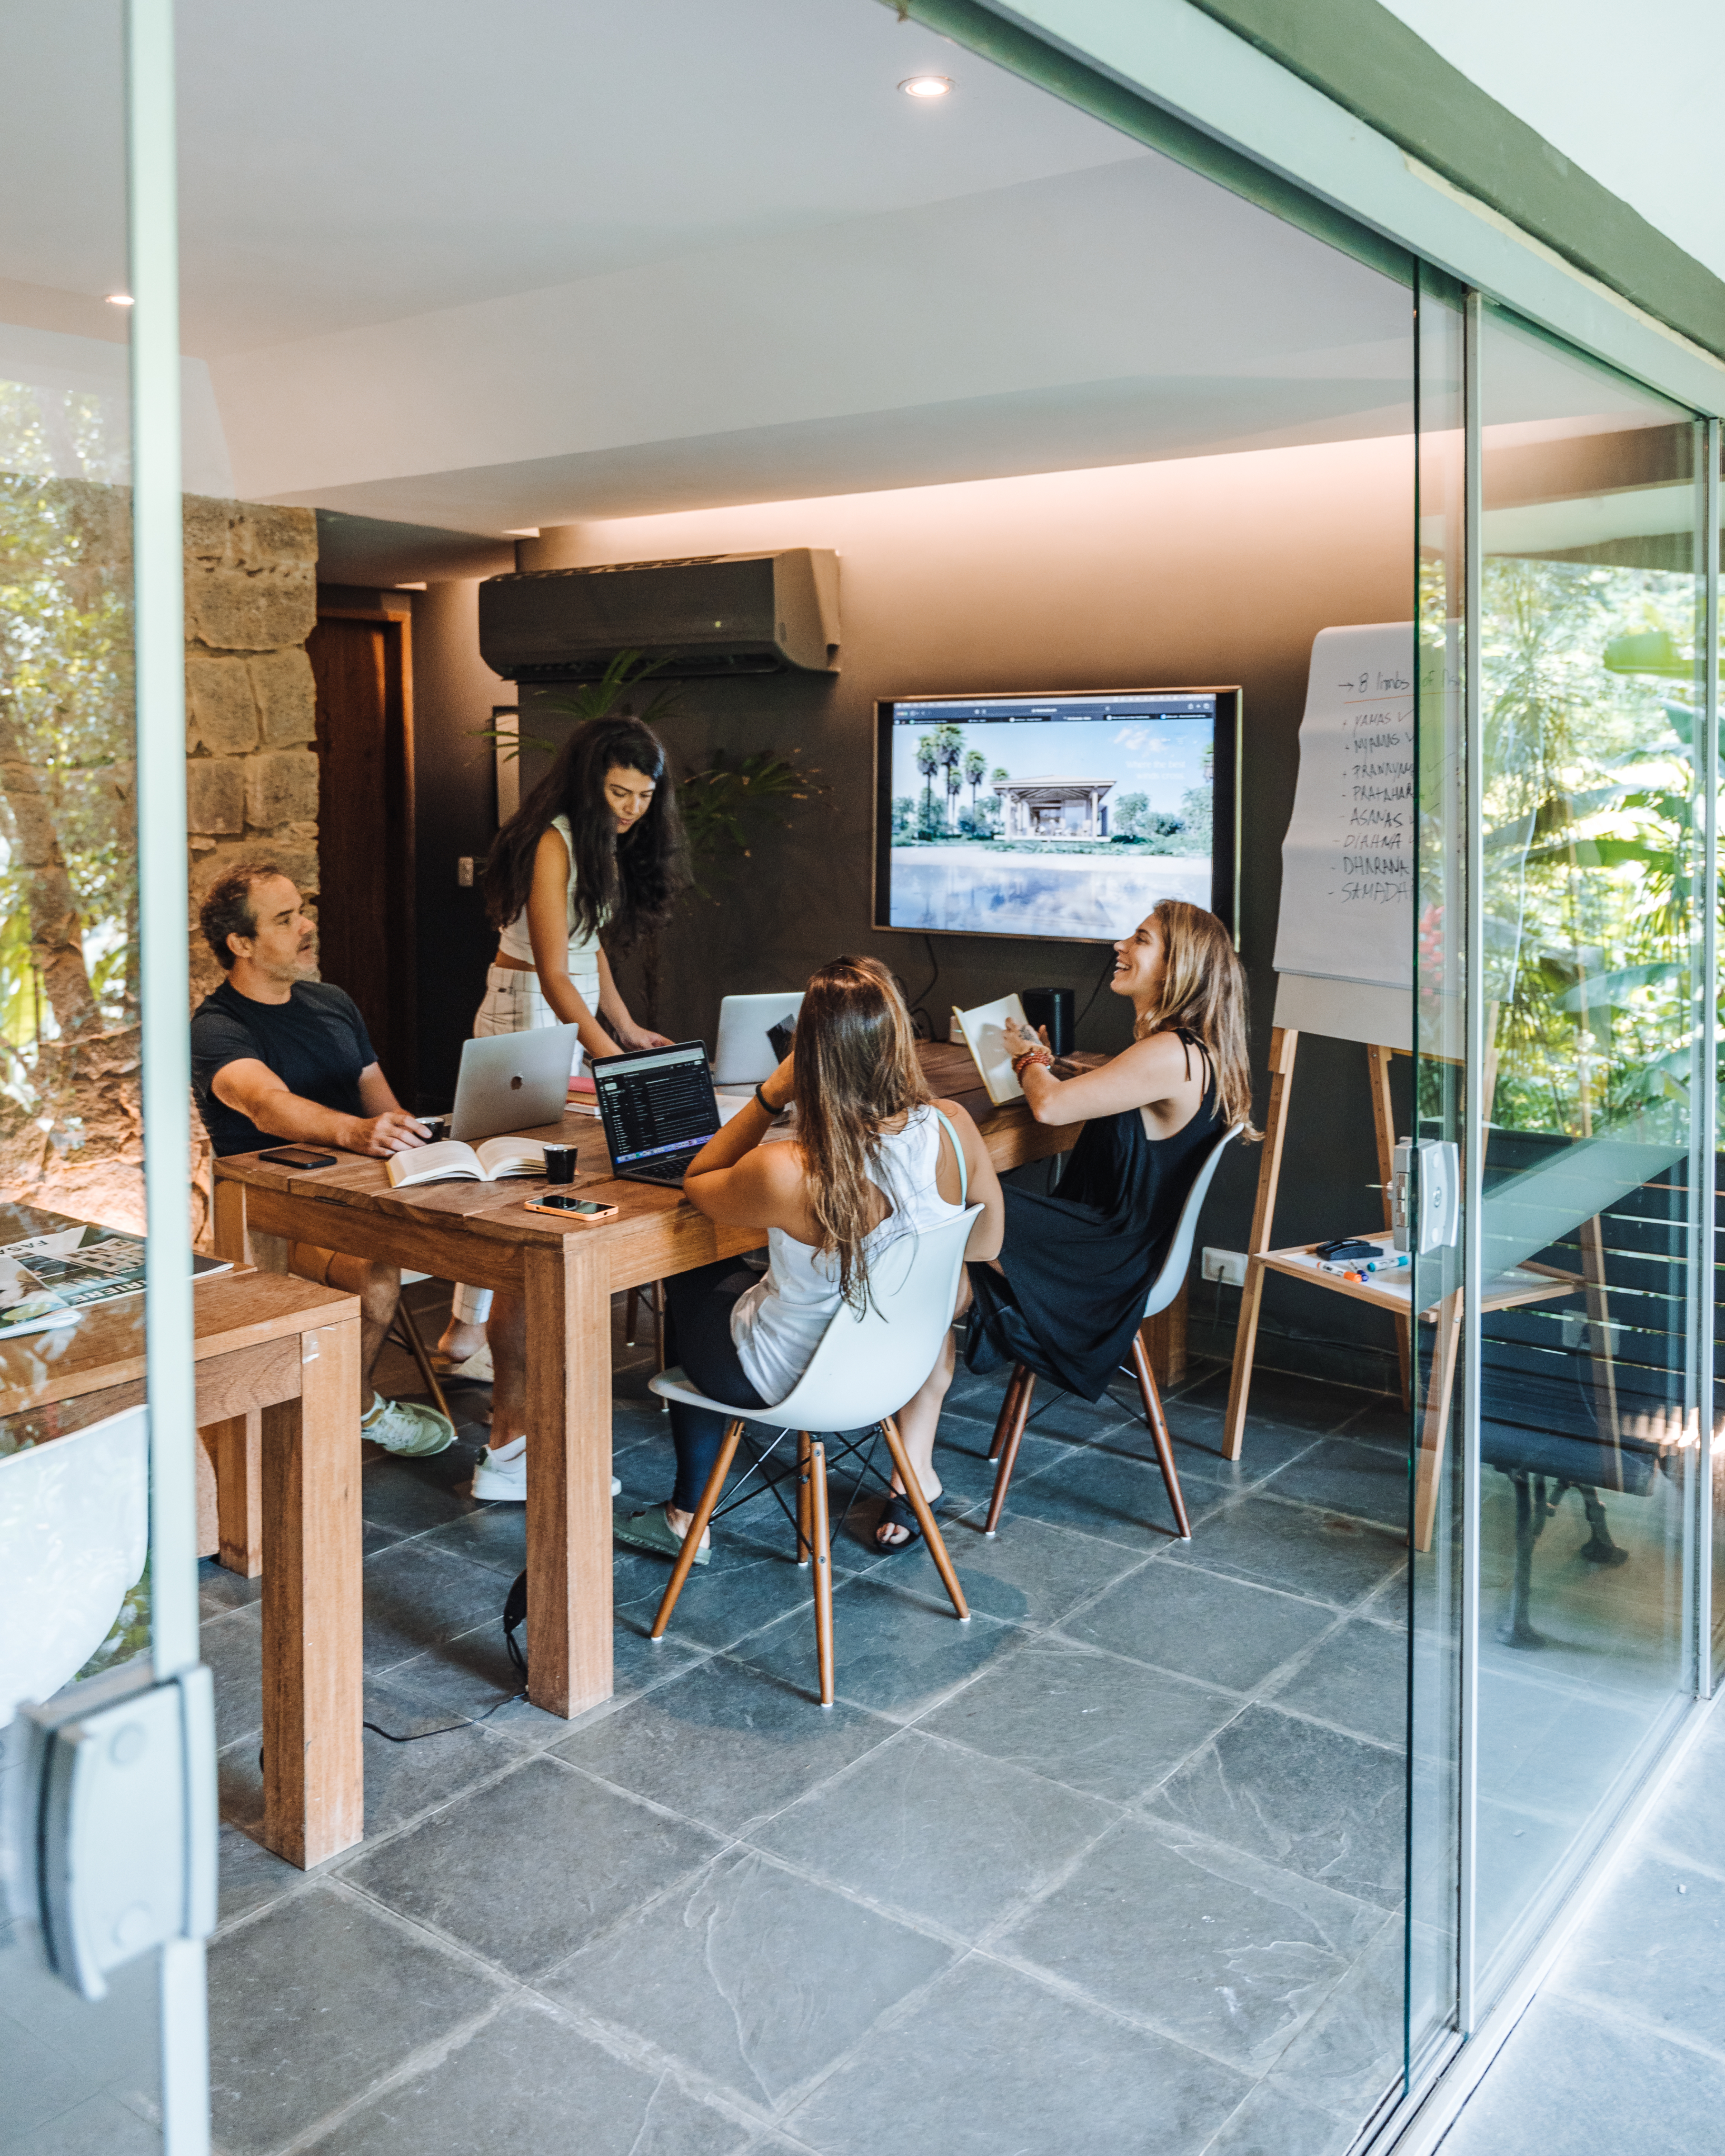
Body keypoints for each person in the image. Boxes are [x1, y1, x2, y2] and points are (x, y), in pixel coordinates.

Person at [881, 901, 1255, 1542]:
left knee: (943, 1220)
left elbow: (1051, 1110)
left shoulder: (1170, 1052)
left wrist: (1027, 1060)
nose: (1119, 944)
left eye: (1140, 939)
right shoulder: (1185, 1050)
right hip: (1115, 1241)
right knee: (944, 1263)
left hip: (1106, 1255)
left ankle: (898, 1441)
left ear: (1180, 966)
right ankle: (911, 1471)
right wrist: (1049, 1065)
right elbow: (1101, 1094)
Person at [611, 955, 1004, 1563]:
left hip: (787, 1376)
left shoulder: (787, 1168)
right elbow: (984, 1246)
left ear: (810, 1053)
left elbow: (699, 1180)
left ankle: (687, 1513)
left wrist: (771, 1094)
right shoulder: (951, 1127)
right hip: (899, 1360)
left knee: (688, 1272)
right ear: (898, 1036)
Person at [456, 714, 690, 1500]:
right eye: (619, 792)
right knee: (524, 1202)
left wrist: (624, 1029)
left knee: (539, 1196)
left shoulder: (599, 842)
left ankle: (471, 1338)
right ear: (589, 782)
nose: (631, 808)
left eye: (644, 795)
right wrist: (606, 1051)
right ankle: (505, 1424)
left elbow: (591, 958)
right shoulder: (553, 840)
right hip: (530, 1013)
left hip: (568, 1013)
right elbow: (555, 974)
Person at [188, 862, 456, 1458]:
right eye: (285, 919)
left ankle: (472, 1372)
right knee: (373, 1271)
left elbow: (382, 1105)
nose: (306, 926)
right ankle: (352, 1408)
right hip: (278, 1212)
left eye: (301, 911)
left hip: (365, 1193)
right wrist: (357, 1133)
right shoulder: (215, 1029)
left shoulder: (332, 1002)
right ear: (242, 944)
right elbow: (265, 1105)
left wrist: (433, 1142)